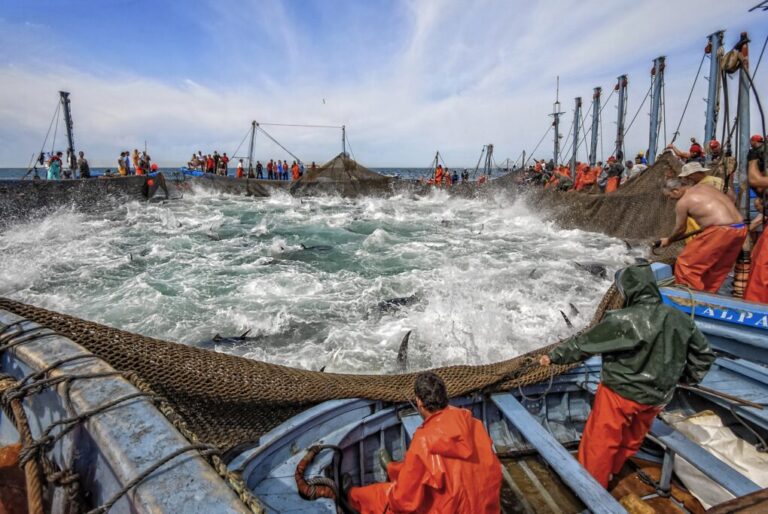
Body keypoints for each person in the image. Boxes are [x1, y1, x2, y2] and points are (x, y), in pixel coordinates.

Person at [539, 264, 715, 488]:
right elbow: (704, 355)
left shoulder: (623, 319)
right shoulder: (680, 318)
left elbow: (584, 344)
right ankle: (612, 471)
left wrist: (554, 356)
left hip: (620, 394)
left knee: (601, 442)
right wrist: (686, 378)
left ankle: (591, 488)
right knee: (632, 439)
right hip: (657, 397)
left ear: (629, 290)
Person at [348, 372, 502, 513]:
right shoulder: (475, 424)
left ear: (419, 402)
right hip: (487, 508)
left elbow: (404, 500)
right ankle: (392, 469)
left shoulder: (424, 442)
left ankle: (349, 496)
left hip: (450, 508)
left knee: (382, 496)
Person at [660, 178, 746, 292]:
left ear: (676, 191)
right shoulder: (706, 187)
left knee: (685, 265)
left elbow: (680, 229)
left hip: (721, 231)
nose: (670, 199)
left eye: (669, 196)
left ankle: (691, 299)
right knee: (717, 268)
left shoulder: (683, 202)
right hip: (740, 228)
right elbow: (732, 197)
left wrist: (669, 240)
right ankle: (708, 296)